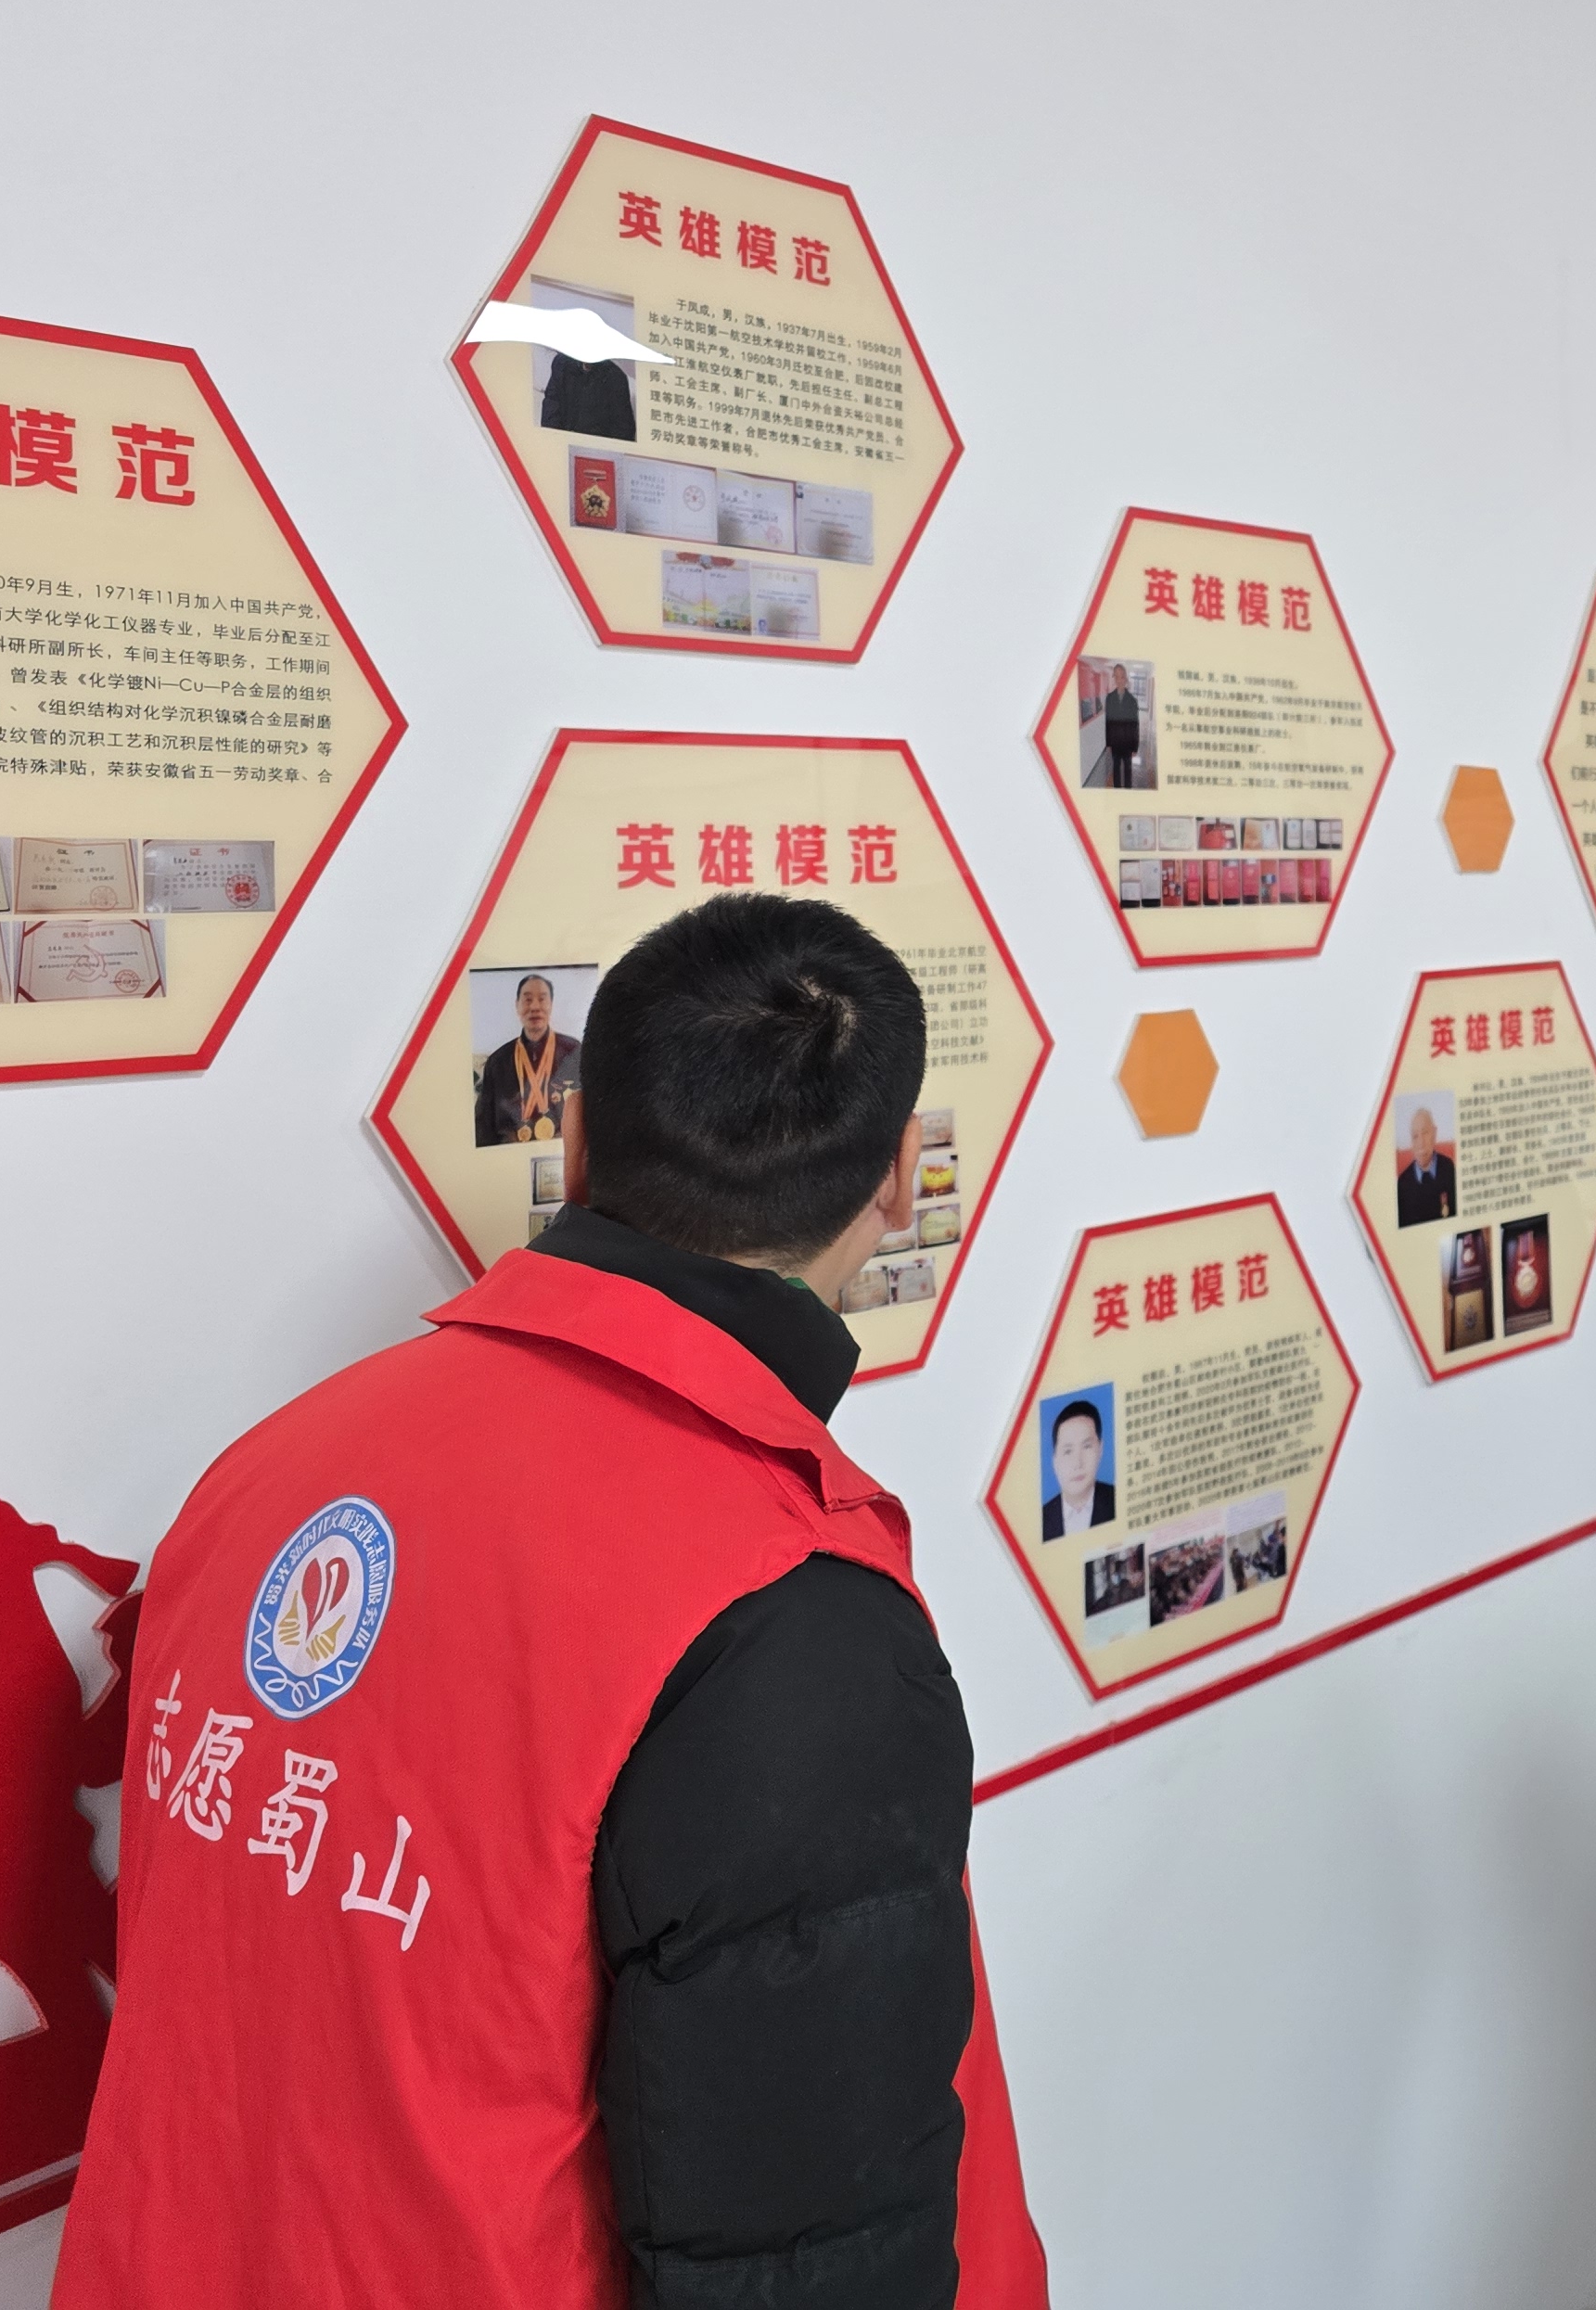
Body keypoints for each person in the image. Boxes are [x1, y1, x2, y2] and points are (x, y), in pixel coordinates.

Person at [61, 894, 1047, 2310]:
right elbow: (809, 2250)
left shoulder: (271, 1469)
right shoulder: (778, 1607)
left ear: (573, 1143)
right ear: (900, 1177)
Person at [476, 968, 583, 1147]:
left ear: (551, 1005)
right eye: (527, 1000)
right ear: (517, 1005)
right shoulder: (498, 1061)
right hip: (509, 1153)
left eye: (542, 999)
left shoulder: (573, 1052)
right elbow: (483, 1128)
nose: (534, 1007)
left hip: (560, 1153)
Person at [1041, 1397, 1117, 1538]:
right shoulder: (1041, 1520)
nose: (1078, 1463)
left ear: (1100, 1449)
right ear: (1055, 1461)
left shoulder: (1118, 1500)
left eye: (1087, 1446)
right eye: (1068, 1451)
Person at [1396, 1104, 1457, 1224]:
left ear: (1434, 1133)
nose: (1421, 1143)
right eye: (1415, 1136)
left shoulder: (1448, 1168)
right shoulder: (1403, 1183)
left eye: (1425, 1133)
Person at [1100, 667, 1141, 788]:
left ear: (1126, 679)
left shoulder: (1132, 701)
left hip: (1128, 743)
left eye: (1122, 677)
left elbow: (1135, 725)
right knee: (1116, 769)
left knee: (1128, 770)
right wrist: (1108, 743)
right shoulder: (1110, 698)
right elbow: (1108, 722)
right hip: (1115, 743)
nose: (1119, 680)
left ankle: (1127, 793)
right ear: (1114, 678)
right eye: (1116, 677)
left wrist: (1135, 747)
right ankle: (1117, 791)